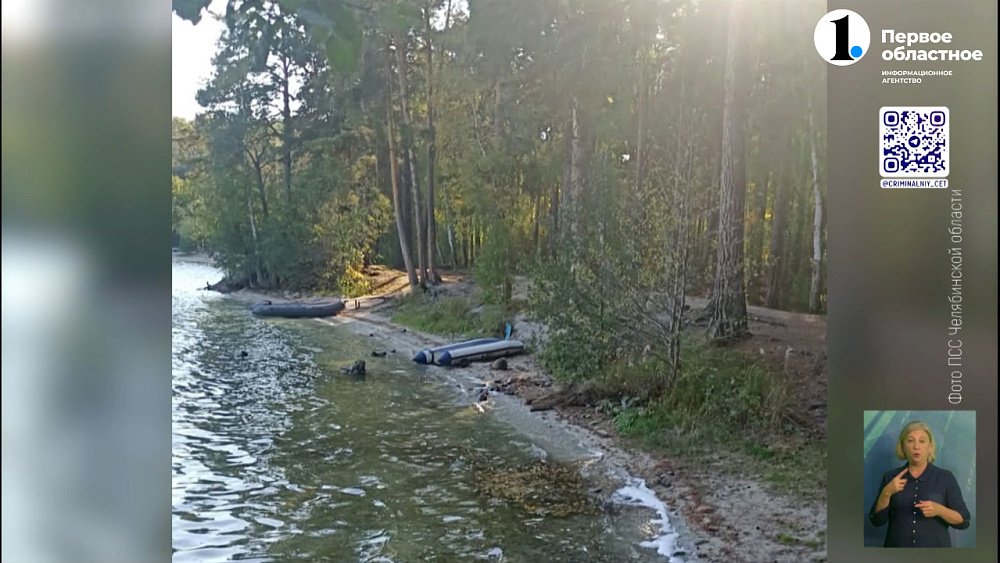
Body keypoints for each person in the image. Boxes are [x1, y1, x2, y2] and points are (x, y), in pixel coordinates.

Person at [869, 420, 971, 547]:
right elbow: (876, 521)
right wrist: (886, 493)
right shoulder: (890, 477)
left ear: (930, 446)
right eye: (910, 441)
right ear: (903, 446)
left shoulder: (946, 477)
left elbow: (964, 521)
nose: (916, 446)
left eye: (922, 441)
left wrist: (940, 510)